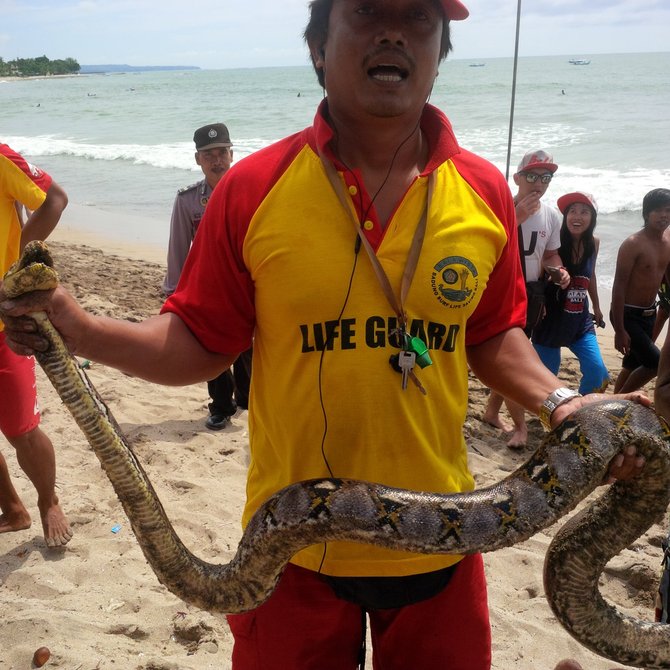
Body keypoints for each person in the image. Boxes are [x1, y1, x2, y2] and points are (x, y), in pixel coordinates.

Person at [0, 2, 646, 667]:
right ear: (317, 46)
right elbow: (200, 342)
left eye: (419, 17)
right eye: (368, 11)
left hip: (445, 534)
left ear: (441, 51)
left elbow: (491, 335)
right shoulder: (254, 187)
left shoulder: (481, 190)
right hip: (287, 553)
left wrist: (564, 404)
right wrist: (80, 331)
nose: (394, 31)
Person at [0, 143, 72, 547]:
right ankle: (13, 509)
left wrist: (16, 264)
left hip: (4, 322)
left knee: (20, 429)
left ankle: (48, 501)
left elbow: (55, 200)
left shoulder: (1, 157)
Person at [161, 123, 252, 430]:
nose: (217, 160)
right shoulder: (188, 200)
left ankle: (247, 397)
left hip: (247, 285)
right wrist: (173, 291)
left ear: (232, 154)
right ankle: (221, 406)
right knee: (213, 347)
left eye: (222, 153)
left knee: (248, 347)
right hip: (209, 289)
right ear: (198, 159)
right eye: (209, 154)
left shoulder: (253, 190)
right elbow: (178, 246)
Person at [482, 149, 570, 448]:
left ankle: (492, 412)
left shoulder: (552, 216)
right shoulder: (499, 204)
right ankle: (520, 427)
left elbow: (549, 253)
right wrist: (516, 216)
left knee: (517, 350)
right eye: (533, 176)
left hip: (532, 292)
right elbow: (484, 244)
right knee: (512, 358)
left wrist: (558, 270)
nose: (539, 183)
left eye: (546, 177)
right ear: (518, 177)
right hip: (501, 289)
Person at [532, 191, 609, 394]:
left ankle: (581, 411)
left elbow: (590, 274)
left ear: (592, 218)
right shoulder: (553, 241)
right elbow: (539, 272)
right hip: (550, 322)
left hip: (579, 320)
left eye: (584, 212)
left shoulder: (594, 243)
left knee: (598, 372)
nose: (577, 216)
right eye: (572, 211)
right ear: (565, 216)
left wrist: (597, 307)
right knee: (546, 380)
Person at [611, 188, 670, 394]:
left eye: (668, 210)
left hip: (649, 314)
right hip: (627, 314)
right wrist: (619, 329)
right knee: (655, 363)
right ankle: (620, 401)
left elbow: (666, 276)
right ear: (646, 213)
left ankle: (610, 405)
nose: (664, 215)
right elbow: (618, 287)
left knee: (632, 365)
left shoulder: (667, 243)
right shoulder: (633, 244)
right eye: (658, 211)